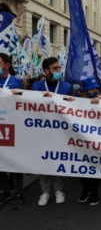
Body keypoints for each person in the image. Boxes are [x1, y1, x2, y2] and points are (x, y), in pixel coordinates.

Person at [31, 57, 72, 206]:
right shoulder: (36, 86)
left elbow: (74, 106)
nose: (58, 71)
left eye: (59, 68)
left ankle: (59, 190)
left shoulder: (67, 86)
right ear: (46, 70)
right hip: (41, 129)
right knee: (43, 160)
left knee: (57, 159)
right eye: (54, 68)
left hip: (60, 129)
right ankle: (45, 192)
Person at [0, 53, 25, 210]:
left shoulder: (17, 82)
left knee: (14, 161)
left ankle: (17, 193)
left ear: (6, 65)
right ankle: (4, 189)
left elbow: (26, 105)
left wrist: (19, 96)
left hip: (12, 127)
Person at [78, 77, 101, 205]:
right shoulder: (78, 101)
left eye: (95, 89)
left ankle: (94, 192)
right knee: (81, 165)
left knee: (94, 166)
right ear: (85, 91)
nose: (94, 91)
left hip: (97, 140)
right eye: (91, 89)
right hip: (81, 139)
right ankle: (85, 188)